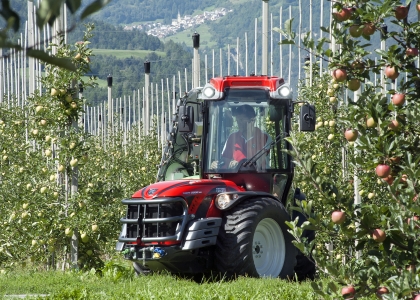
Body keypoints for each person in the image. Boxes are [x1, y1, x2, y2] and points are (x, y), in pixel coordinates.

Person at [211, 104, 271, 169]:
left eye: (241, 120)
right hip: (236, 176)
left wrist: (239, 164)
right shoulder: (232, 137)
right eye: (237, 120)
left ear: (252, 120)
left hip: (260, 176)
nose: (239, 123)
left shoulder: (264, 137)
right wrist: (216, 165)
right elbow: (225, 160)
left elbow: (258, 161)